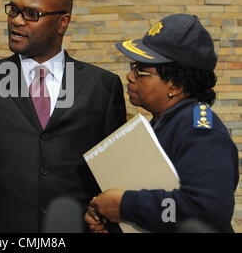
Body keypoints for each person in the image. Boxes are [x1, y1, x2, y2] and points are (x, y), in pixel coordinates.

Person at [0, 0, 127, 233]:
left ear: (62, 23)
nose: (16, 20)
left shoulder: (103, 86)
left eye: (31, 14)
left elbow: (112, 176)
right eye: (13, 10)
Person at [85, 13, 239, 233]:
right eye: (133, 66)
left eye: (141, 70)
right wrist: (108, 218)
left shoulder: (200, 131)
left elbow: (206, 212)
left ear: (175, 85)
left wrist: (125, 206)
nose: (130, 76)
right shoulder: (165, 122)